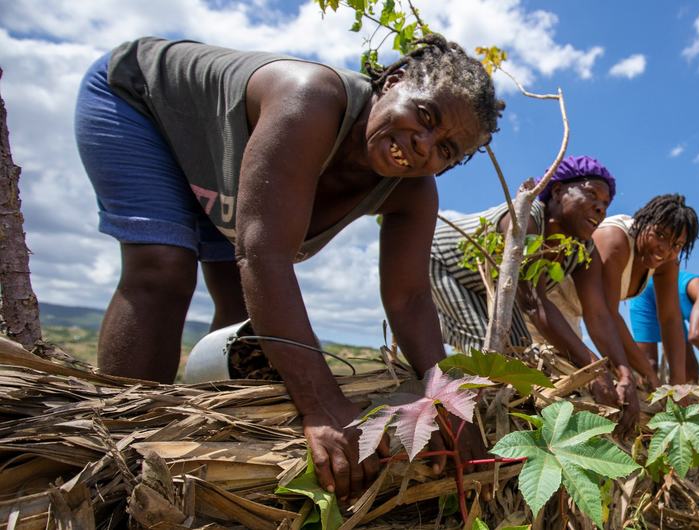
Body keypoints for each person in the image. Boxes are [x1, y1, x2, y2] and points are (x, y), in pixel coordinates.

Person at [75, 34, 502, 503]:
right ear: (394, 81)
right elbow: (264, 255)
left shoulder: (412, 192)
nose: (424, 146)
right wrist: (321, 406)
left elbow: (410, 298)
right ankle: (113, 450)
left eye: (446, 151)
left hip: (222, 164)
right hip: (142, 104)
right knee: (163, 270)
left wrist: (443, 398)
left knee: (246, 323)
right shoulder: (311, 100)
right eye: (425, 117)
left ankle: (198, 452)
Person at [429, 156, 643, 435]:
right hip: (442, 264)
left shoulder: (583, 249)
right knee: (494, 362)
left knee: (519, 353)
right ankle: (462, 425)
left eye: (606, 203)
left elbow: (599, 315)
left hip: (491, 293)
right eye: (591, 194)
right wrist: (593, 371)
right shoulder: (527, 219)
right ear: (557, 191)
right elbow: (532, 303)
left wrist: (624, 373)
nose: (600, 207)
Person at [543, 194, 699, 390]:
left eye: (676, 245)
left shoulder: (668, 260)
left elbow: (671, 319)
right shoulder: (615, 240)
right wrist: (649, 374)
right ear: (644, 222)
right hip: (547, 304)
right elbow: (606, 315)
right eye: (660, 235)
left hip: (578, 315)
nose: (665, 249)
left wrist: (678, 386)